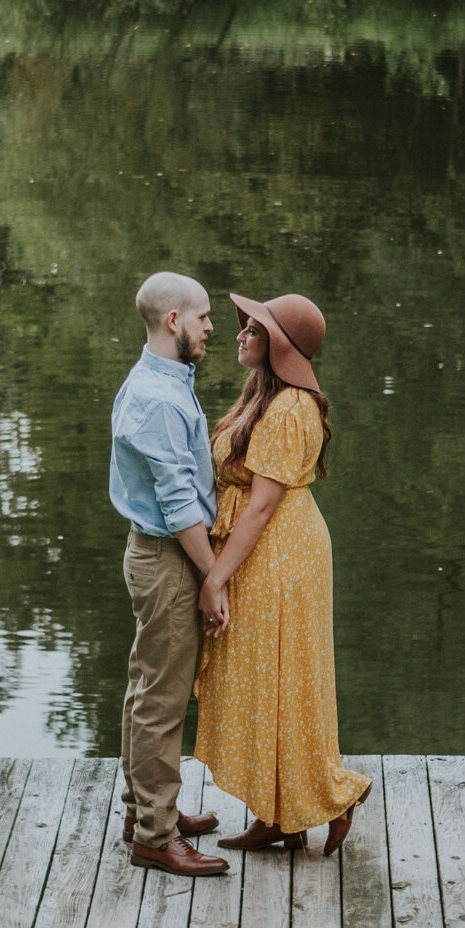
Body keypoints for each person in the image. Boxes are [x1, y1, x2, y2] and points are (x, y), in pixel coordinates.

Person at [194, 292, 372, 856]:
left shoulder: (291, 407)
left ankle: (331, 797)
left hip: (280, 557)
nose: (241, 332)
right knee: (266, 682)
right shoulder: (262, 395)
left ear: (282, 346)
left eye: (255, 328)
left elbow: (262, 505)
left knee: (283, 682)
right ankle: (279, 816)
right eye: (246, 324)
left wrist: (214, 577)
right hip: (270, 552)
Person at [109, 271, 229, 877]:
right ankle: (155, 836)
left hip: (160, 556)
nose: (212, 326)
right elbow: (180, 505)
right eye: (203, 316)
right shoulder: (156, 397)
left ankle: (145, 810)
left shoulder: (163, 380)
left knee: (147, 687)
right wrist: (215, 578)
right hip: (168, 559)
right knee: (160, 700)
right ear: (173, 321)